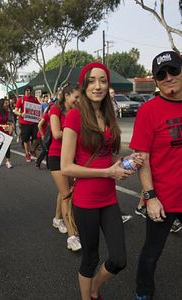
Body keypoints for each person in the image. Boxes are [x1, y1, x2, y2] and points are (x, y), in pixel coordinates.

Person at [61, 62, 143, 300]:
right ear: (84, 85)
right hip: (85, 200)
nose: (98, 86)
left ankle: (95, 287)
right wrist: (108, 172)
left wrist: (127, 160)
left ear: (108, 85)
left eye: (103, 80)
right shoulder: (75, 116)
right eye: (92, 80)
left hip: (108, 198)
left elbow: (109, 155)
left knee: (119, 259)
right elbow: (66, 166)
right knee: (90, 258)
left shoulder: (108, 115)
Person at [130, 50, 182, 300]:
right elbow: (143, 160)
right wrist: (150, 197)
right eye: (161, 74)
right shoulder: (148, 111)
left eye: (173, 70)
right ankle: (143, 293)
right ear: (156, 80)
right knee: (152, 252)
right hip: (164, 200)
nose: (168, 77)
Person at [48, 83, 82, 251]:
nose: (78, 100)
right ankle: (72, 236)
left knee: (64, 191)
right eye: (76, 97)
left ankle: (57, 219)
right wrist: (75, 133)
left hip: (73, 156)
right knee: (67, 194)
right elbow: (56, 133)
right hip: (56, 156)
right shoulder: (56, 110)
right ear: (67, 95)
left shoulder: (78, 112)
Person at [13, 86, 40, 162]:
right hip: (24, 123)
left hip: (34, 122)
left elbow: (39, 108)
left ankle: (32, 150)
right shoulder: (21, 100)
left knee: (37, 138)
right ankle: (27, 154)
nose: (28, 92)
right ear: (24, 92)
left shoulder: (34, 99)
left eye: (30, 90)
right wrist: (21, 114)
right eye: (27, 90)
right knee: (26, 139)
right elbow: (15, 111)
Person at [0, 98, 13, 168]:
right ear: (1, 104)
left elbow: (6, 121)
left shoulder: (7, 112)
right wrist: (1, 125)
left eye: (7, 103)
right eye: (5, 103)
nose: (7, 104)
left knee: (7, 146)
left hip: (6, 130)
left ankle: (8, 161)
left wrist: (10, 124)